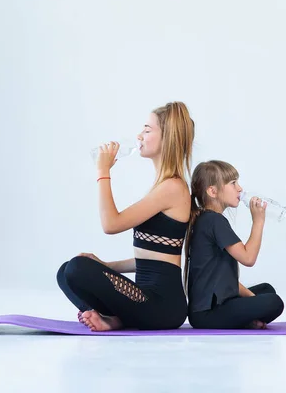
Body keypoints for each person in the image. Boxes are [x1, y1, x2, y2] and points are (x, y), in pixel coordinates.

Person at [56, 102, 195, 331]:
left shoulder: (173, 187)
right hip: (144, 299)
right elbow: (153, 259)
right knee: (66, 271)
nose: (139, 135)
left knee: (78, 268)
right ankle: (114, 319)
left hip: (164, 306)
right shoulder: (161, 186)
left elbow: (110, 224)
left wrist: (103, 172)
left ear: (167, 138)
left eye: (147, 130)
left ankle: (114, 319)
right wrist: (105, 265)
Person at [184, 160, 284, 329]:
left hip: (209, 309)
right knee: (274, 302)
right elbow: (248, 258)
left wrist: (253, 300)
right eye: (233, 183)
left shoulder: (207, 219)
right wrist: (258, 221)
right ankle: (247, 321)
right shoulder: (214, 221)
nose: (239, 189)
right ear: (212, 191)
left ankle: (247, 319)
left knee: (267, 290)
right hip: (208, 313)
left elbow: (226, 281)